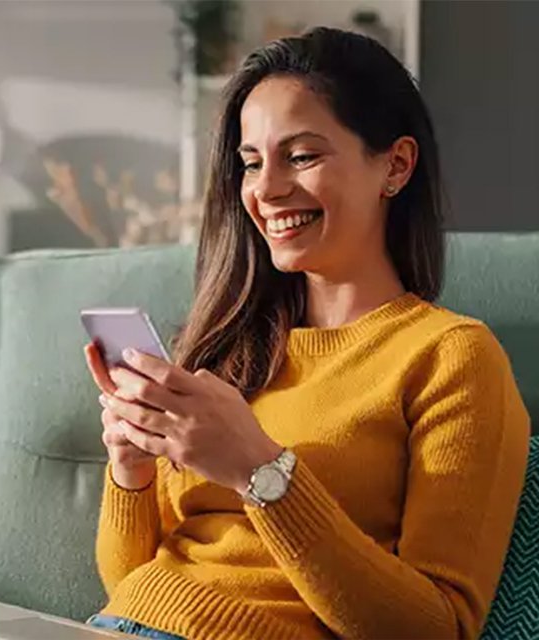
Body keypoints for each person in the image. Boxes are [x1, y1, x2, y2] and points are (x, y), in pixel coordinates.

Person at [82, 27, 530, 640]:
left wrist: (259, 470)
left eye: (302, 156)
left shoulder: (450, 357)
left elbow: (437, 629)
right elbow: (133, 584)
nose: (265, 191)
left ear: (395, 166)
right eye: (251, 163)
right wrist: (128, 469)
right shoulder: (226, 346)